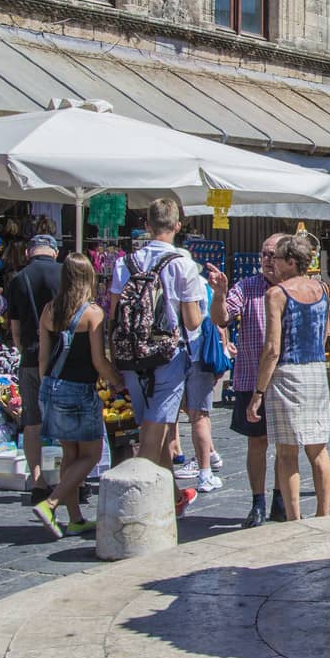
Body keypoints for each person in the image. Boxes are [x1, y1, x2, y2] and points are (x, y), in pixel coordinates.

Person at [108, 198, 205, 516]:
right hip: (168, 356)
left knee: (152, 426)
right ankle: (139, 506)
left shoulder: (126, 263)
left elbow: (113, 313)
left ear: (147, 226)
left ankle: (171, 496)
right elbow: (191, 321)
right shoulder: (183, 264)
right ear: (177, 226)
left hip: (132, 356)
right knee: (155, 431)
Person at [31, 253, 126, 539]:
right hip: (80, 390)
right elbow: (98, 360)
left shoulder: (50, 310)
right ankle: (50, 503)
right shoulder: (92, 313)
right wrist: (117, 382)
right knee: (92, 454)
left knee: (69, 455)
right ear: (89, 278)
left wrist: (46, 387)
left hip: (52, 386)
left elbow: (43, 357)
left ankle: (75, 519)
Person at [247, 234, 330, 523]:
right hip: (316, 371)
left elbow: (272, 348)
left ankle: (294, 519)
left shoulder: (277, 294)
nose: (272, 262)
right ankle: (323, 514)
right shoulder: (322, 289)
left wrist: (258, 393)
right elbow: (324, 335)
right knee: (318, 449)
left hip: (287, 373)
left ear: (291, 262)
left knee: (286, 452)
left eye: (277, 258)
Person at [209, 232, 293, 526]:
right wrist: (219, 294)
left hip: (285, 380)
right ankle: (257, 502)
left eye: (274, 254)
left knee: (285, 445)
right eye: (264, 255)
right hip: (250, 377)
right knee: (257, 442)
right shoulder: (247, 287)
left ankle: (281, 500)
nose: (268, 261)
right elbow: (221, 318)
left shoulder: (294, 289)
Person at [4, 233, 62, 504]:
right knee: (67, 420)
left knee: (32, 422)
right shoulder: (66, 274)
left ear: (28, 252)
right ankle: (69, 480)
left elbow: (15, 330)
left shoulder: (18, 279)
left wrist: (25, 350)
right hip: (63, 357)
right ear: (55, 252)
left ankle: (37, 480)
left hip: (30, 356)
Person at [175, 280, 228, 495]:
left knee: (191, 414)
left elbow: (201, 322)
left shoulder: (178, 285)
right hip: (195, 355)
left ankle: (205, 464)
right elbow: (214, 322)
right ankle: (206, 467)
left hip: (180, 354)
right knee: (199, 415)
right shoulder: (201, 285)